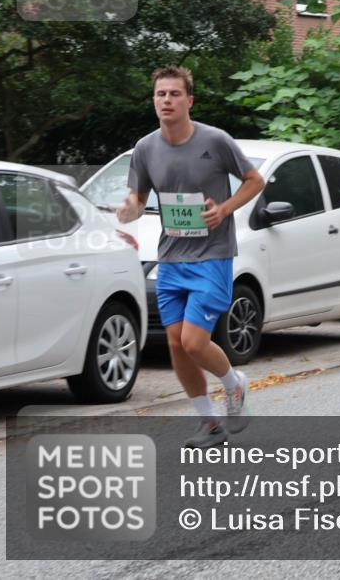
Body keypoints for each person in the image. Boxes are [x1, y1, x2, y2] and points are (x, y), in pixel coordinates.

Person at [118, 66, 265, 448]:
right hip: (171, 257)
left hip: (212, 256)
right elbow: (139, 198)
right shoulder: (146, 148)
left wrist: (226, 209)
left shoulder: (215, 141)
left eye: (173, 94)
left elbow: (255, 181)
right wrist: (128, 210)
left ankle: (235, 385)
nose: (166, 100)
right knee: (174, 345)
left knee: (195, 342)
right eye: (160, 95)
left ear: (189, 100)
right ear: (153, 100)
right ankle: (210, 424)